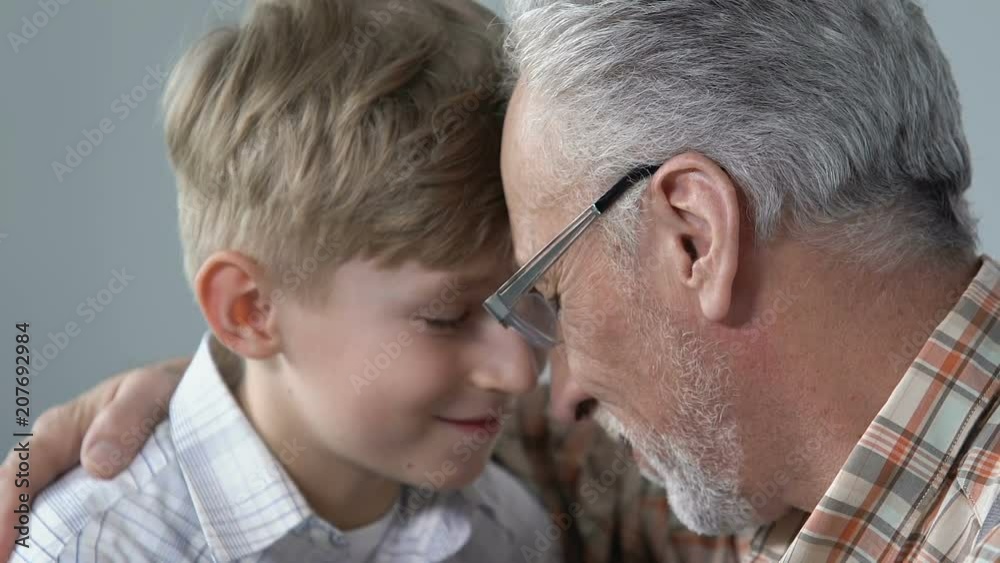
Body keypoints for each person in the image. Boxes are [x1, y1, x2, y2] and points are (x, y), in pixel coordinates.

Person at [4, 0, 999, 562]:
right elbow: (330, 400)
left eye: (547, 299)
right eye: (465, 313)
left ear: (693, 238)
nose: (542, 385)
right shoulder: (694, 466)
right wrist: (212, 399)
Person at [5, 0, 560, 561]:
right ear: (249, 310)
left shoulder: (511, 528)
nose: (518, 371)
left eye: (536, 294)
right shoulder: (94, 547)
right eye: (446, 316)